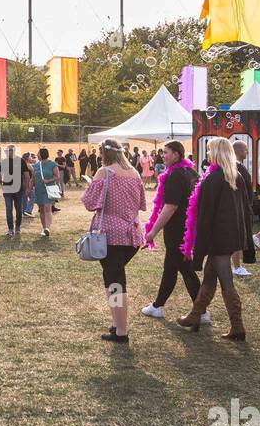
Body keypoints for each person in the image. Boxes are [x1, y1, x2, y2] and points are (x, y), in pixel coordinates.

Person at [177, 138, 247, 339]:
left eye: (209, 151)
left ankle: (237, 326)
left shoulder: (213, 178)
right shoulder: (235, 176)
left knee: (226, 279)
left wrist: (200, 241)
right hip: (230, 235)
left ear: (216, 153)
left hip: (217, 238)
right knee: (209, 276)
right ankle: (195, 315)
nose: (207, 154)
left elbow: (205, 215)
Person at [82, 140, 145, 343]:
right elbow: (141, 203)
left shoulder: (104, 172)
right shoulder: (134, 173)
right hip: (132, 234)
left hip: (110, 235)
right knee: (113, 279)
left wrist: (90, 186)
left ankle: (121, 330)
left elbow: (89, 203)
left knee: (115, 282)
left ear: (103, 153)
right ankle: (118, 324)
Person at [141, 140, 205, 323]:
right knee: (170, 268)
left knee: (185, 269)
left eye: (166, 152)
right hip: (187, 228)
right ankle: (157, 306)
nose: (163, 155)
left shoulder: (176, 175)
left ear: (177, 154)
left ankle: (201, 311)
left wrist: (153, 231)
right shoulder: (190, 172)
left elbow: (170, 207)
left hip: (177, 230)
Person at [229, 141, 256, 276]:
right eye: (245, 150)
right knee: (237, 237)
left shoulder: (239, 166)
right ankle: (237, 266)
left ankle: (237, 265)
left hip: (243, 207)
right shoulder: (234, 167)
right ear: (239, 151)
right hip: (238, 207)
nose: (247, 152)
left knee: (241, 237)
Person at [0, 144, 31, 238]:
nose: (7, 152)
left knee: (18, 209)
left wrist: (27, 187)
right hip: (7, 189)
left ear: (13, 151)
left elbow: (26, 175)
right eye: (6, 150)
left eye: (9, 150)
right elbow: (0, 175)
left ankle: (17, 227)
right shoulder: (4, 161)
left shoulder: (21, 161)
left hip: (18, 189)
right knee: (8, 209)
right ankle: (10, 229)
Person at [33, 147, 59, 237]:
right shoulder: (36, 165)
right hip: (39, 190)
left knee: (47, 208)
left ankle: (47, 228)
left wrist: (48, 181)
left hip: (49, 189)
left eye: (38, 153)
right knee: (41, 209)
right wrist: (29, 188)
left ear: (42, 154)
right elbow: (33, 178)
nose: (37, 155)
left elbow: (57, 176)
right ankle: (44, 228)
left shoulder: (52, 164)